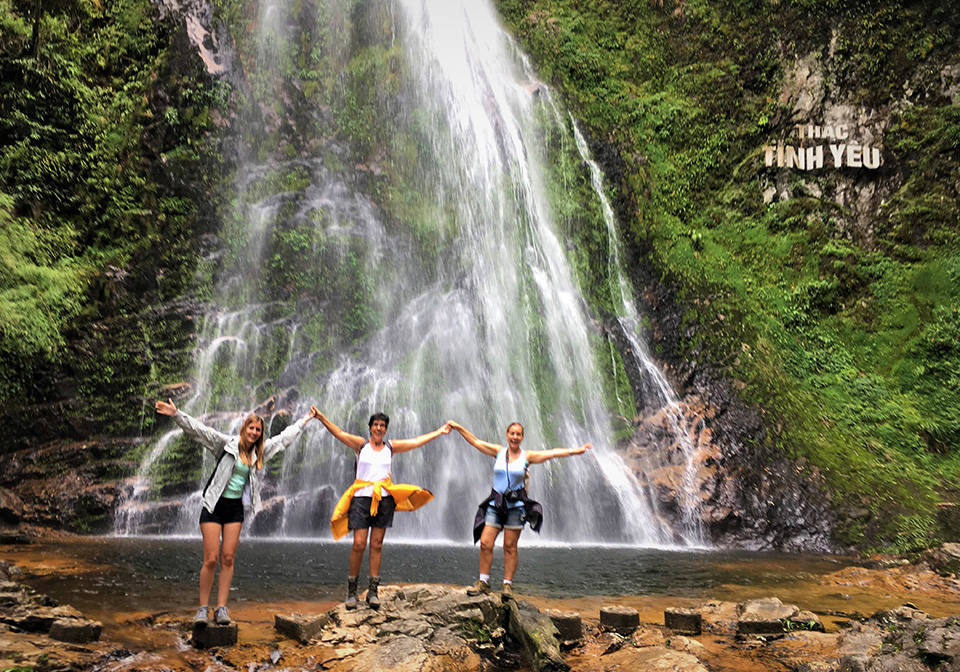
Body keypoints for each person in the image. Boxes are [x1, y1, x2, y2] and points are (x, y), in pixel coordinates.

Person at [155, 398, 316, 625]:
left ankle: (221, 608)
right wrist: (176, 414)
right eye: (251, 428)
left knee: (228, 558)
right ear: (244, 428)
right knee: (210, 559)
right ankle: (202, 608)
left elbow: (283, 440)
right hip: (213, 505)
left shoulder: (258, 453)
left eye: (258, 430)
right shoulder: (226, 444)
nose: (254, 432)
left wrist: (305, 420)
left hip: (234, 509)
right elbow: (200, 431)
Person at [313, 407, 451, 610]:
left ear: (385, 429)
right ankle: (351, 591)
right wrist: (321, 417)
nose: (378, 428)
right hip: (361, 499)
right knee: (359, 544)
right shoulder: (361, 445)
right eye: (375, 425)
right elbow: (339, 433)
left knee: (376, 544)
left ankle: (373, 592)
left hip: (384, 500)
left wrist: (439, 432)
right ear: (370, 428)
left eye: (382, 426)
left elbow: (416, 441)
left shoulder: (391, 447)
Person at [448, 420, 591, 600]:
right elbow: (475, 441)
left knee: (510, 546)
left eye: (518, 434)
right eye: (512, 433)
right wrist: (458, 427)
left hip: (516, 508)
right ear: (507, 435)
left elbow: (552, 453)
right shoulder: (498, 452)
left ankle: (507, 585)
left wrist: (576, 450)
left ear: (522, 437)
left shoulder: (527, 456)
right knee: (485, 542)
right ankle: (483, 582)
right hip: (496, 504)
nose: (515, 437)